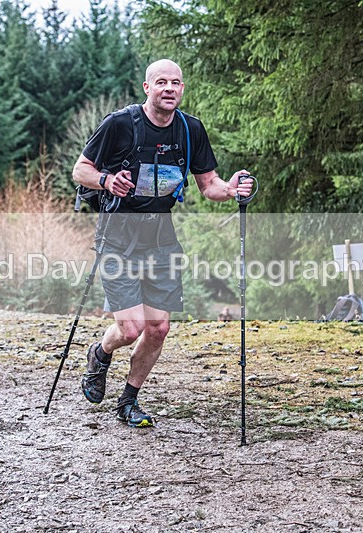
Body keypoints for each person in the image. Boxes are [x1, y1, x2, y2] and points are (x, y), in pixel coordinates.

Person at [72, 59, 254, 428]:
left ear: (182, 89)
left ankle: (128, 401)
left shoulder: (190, 130)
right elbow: (81, 170)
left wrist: (232, 189)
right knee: (131, 329)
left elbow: (209, 186)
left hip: (161, 238)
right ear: (147, 88)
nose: (169, 88)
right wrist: (106, 181)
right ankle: (101, 351)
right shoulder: (120, 124)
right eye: (161, 82)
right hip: (118, 236)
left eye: (175, 83)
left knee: (158, 329)